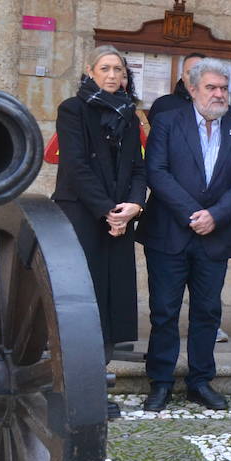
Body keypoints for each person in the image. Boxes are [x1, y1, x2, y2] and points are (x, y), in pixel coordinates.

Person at [136, 59, 231, 412]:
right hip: (169, 234)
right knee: (164, 311)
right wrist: (193, 214)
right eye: (211, 88)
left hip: (214, 237)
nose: (219, 94)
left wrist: (215, 216)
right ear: (192, 89)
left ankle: (200, 382)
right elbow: (156, 172)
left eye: (223, 88)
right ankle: (160, 382)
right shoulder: (168, 123)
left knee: (207, 312)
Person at [52, 46, 146, 368]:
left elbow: (137, 167)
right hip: (83, 211)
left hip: (120, 214)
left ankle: (102, 366)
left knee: (112, 294)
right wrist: (107, 209)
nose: (111, 75)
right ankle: (79, 369)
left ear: (124, 76)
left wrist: (134, 204)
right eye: (105, 68)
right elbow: (76, 166)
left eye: (118, 70)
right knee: (85, 292)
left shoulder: (130, 116)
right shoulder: (72, 110)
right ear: (90, 71)